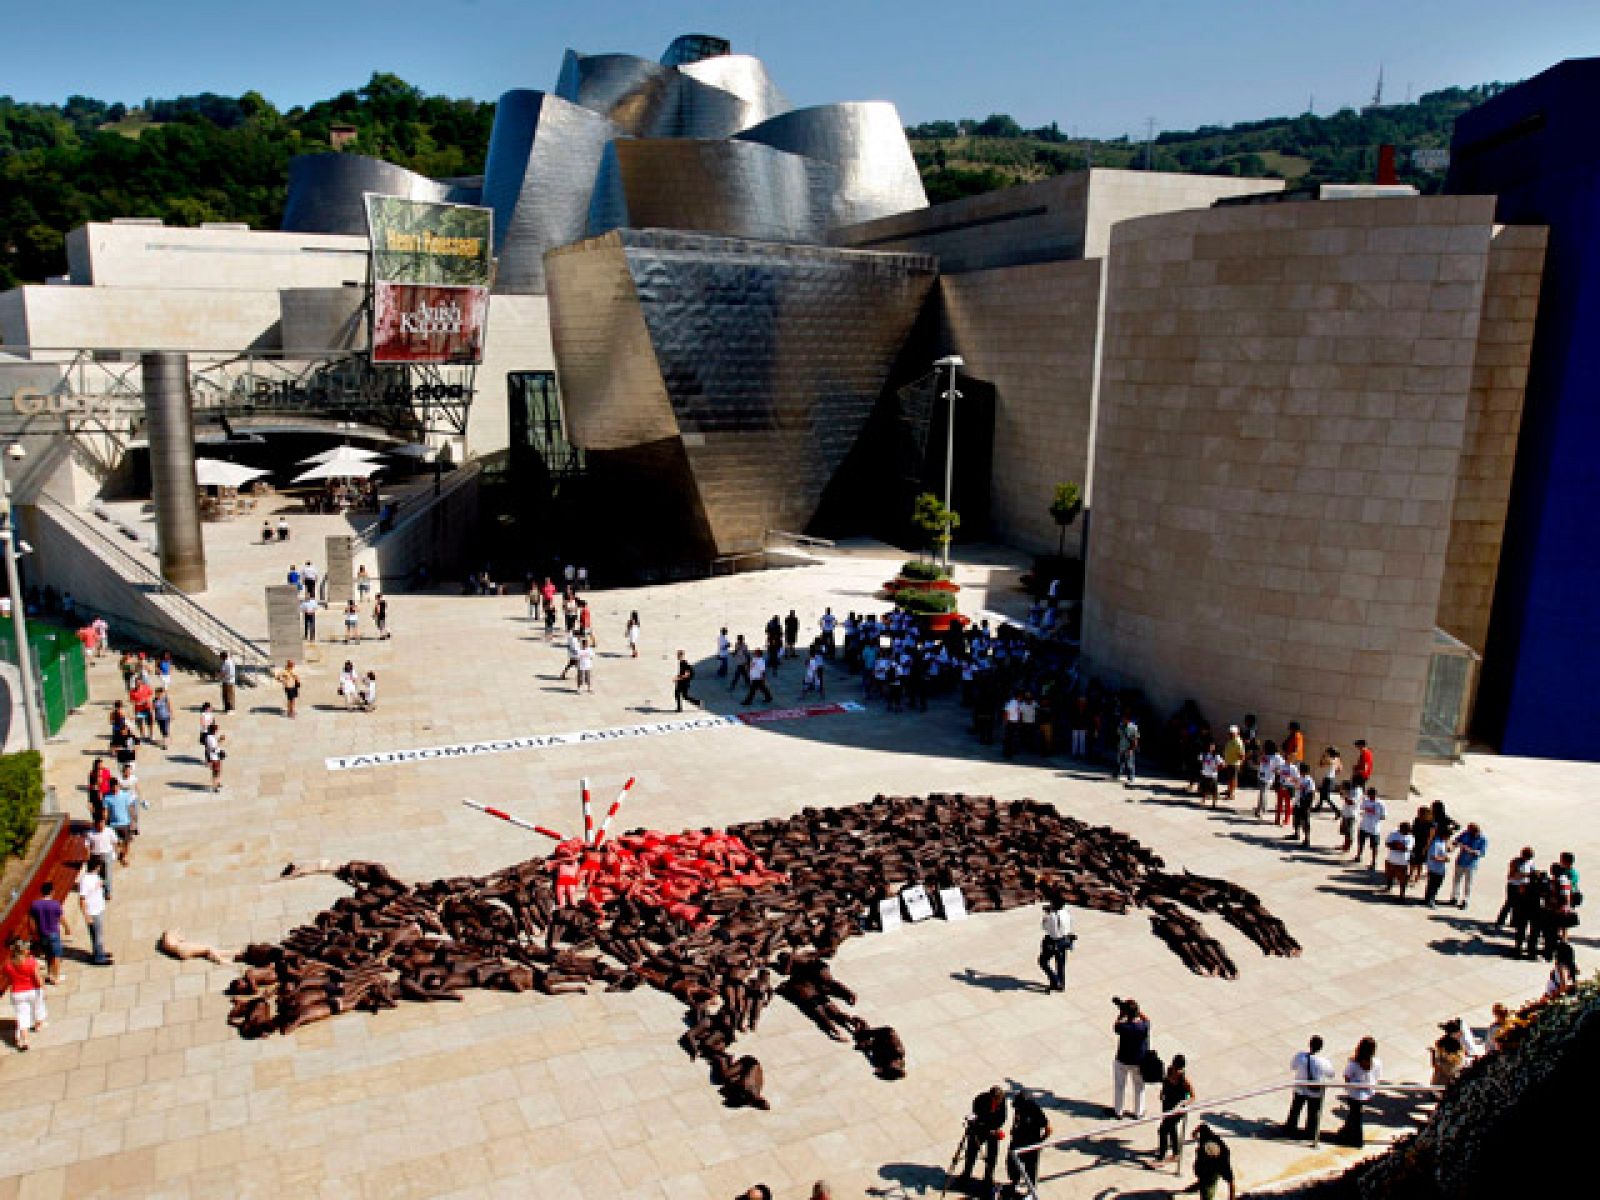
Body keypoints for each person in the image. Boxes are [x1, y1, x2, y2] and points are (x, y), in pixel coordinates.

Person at [1284, 1035, 1333, 1142]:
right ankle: (1310, 1133)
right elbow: (1331, 1074)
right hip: (1315, 1092)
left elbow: (1293, 1066)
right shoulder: (1324, 1062)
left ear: (1309, 1044)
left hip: (1300, 1089)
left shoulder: (1300, 1056)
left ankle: (1289, 1129)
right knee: (1313, 1113)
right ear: (1321, 1047)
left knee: (1295, 1109)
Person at [960, 1085, 1008, 1195]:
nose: (999, 1102)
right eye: (997, 1100)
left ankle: (988, 1179)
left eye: (1000, 1100)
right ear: (991, 1097)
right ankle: (965, 1176)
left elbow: (1002, 1117)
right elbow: (979, 1117)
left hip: (993, 1131)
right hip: (979, 1130)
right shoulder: (980, 1100)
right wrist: (987, 1127)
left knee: (992, 1156)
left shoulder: (1002, 1101)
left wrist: (994, 1129)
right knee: (971, 1153)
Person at [1334, 1037, 1381, 1147]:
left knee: (1355, 1115)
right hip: (1368, 1091)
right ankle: (1346, 1132)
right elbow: (1377, 1076)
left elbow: (1347, 1076)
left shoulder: (1354, 1064)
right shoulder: (1377, 1063)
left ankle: (1356, 1139)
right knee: (1354, 1114)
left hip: (1355, 1093)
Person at [1, 939, 48, 1051]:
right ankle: (38, 1025)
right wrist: (43, 988)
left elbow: (8, 979)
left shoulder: (8, 965)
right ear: (24, 951)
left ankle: (25, 1040)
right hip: (33, 990)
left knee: (22, 1015)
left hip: (17, 993)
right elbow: (37, 977)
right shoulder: (31, 962)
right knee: (38, 1007)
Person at [1112, 998, 1152, 1118]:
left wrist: (1121, 1014)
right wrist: (1137, 1012)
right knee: (1139, 1087)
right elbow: (1147, 1019)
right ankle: (1138, 1112)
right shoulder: (1144, 1026)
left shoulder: (1124, 1027)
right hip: (1139, 1061)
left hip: (1123, 1059)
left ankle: (1118, 1111)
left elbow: (1115, 1026)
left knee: (1119, 1086)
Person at [1008, 1089, 1051, 1193]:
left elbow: (1048, 1128)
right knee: (1012, 1163)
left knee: (1030, 1168)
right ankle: (1015, 1182)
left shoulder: (1034, 1110)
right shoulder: (1019, 1108)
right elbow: (1017, 1120)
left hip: (1031, 1144)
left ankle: (1031, 1191)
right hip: (1017, 1141)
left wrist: (1040, 1141)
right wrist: (1014, 1129)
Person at [1179, 1124, 1236, 1200]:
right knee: (1202, 1174)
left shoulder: (1222, 1163)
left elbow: (1231, 1182)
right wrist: (1195, 1132)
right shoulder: (1208, 1137)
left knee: (1207, 1189)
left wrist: (1231, 1198)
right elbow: (1202, 1126)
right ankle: (1201, 1183)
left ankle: (1204, 1188)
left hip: (1212, 1173)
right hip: (1202, 1166)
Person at [1156, 1055, 1194, 1163]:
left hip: (1177, 1109)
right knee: (1171, 1129)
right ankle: (1176, 1153)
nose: (1177, 1071)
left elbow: (1192, 1096)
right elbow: (1165, 1084)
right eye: (1176, 1068)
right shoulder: (1169, 1072)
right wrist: (1162, 1093)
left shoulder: (1184, 1080)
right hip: (1167, 1106)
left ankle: (1162, 1155)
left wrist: (1183, 1103)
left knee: (1163, 1130)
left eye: (1179, 1069)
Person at [29, 882, 67, 986]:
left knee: (48, 955)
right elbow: (61, 918)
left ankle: (50, 975)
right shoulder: (55, 904)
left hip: (42, 934)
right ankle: (56, 977)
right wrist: (67, 928)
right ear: (51, 892)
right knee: (56, 956)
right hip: (54, 933)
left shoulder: (35, 905)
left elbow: (31, 921)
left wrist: (34, 934)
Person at [77, 858, 111, 965]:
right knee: (97, 935)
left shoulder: (95, 876)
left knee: (96, 934)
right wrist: (86, 916)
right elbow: (82, 899)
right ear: (97, 867)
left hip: (98, 909)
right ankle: (99, 958)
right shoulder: (85, 880)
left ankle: (99, 952)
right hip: (93, 912)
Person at [1038, 896, 1073, 992]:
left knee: (1042, 961)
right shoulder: (1066, 914)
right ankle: (1061, 984)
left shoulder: (1050, 916)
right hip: (1064, 940)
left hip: (1052, 942)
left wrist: (1046, 915)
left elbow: (1045, 927)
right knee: (1061, 964)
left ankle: (1055, 980)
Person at [1495, 846, 1536, 929]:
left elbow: (1533, 873)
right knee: (1509, 903)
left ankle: (1514, 922)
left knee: (1519, 905)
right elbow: (1511, 875)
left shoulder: (1530, 863)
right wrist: (1526, 875)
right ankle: (1500, 921)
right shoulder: (1515, 861)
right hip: (1513, 885)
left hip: (1524, 886)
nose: (1527, 859)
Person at [1448, 824, 1488, 910]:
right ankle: (1454, 897)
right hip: (1461, 860)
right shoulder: (1466, 834)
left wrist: (1471, 851)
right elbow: (1456, 841)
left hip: (1471, 864)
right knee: (1456, 880)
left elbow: (1482, 853)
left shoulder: (1483, 839)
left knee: (1468, 883)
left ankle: (1465, 900)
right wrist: (1456, 845)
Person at [1356, 787, 1387, 870]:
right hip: (1364, 825)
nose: (1371, 797)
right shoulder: (1366, 801)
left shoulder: (1380, 804)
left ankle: (1373, 862)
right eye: (1369, 795)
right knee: (1361, 842)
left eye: (1372, 795)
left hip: (1374, 828)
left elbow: (1384, 816)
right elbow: (1361, 808)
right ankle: (1359, 855)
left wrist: (1376, 817)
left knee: (1374, 846)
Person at [1383, 822, 1415, 900]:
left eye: (1408, 830)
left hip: (1403, 862)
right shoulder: (1393, 834)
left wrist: (1396, 845)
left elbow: (1407, 848)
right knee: (1389, 875)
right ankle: (1388, 887)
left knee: (1403, 879)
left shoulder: (1410, 837)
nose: (1407, 832)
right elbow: (1387, 844)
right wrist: (1398, 846)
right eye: (1405, 829)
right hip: (1391, 859)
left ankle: (1402, 894)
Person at [1423, 830, 1453, 907]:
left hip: (1440, 868)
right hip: (1435, 868)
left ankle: (1427, 899)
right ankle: (1430, 900)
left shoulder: (1443, 843)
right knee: (1434, 885)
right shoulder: (1436, 844)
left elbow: (1449, 849)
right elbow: (1433, 856)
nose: (1449, 838)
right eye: (1448, 836)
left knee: (1432, 885)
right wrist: (1444, 859)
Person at [1221, 725, 1245, 804]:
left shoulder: (1238, 742)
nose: (1230, 734)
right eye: (1230, 733)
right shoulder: (1231, 740)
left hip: (1234, 763)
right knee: (1229, 778)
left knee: (1232, 779)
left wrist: (1239, 764)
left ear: (1236, 733)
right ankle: (1229, 790)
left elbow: (1241, 755)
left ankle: (1231, 794)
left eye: (1232, 733)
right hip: (1229, 762)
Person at [1115, 716, 1140, 786]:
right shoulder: (1120, 726)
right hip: (1121, 746)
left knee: (1130, 763)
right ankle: (1117, 774)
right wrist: (1118, 745)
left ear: (1128, 720)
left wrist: (1132, 748)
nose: (1123, 720)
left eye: (1124, 719)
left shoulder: (1133, 727)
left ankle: (1131, 777)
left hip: (1129, 748)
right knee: (1119, 761)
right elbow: (1118, 736)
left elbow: (1135, 739)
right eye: (1122, 719)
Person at [203, 721, 226, 792]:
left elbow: (215, 745)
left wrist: (220, 740)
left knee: (218, 771)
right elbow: (213, 749)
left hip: (216, 757)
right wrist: (220, 752)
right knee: (215, 772)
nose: (217, 732)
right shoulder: (210, 738)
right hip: (214, 757)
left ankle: (217, 783)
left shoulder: (211, 737)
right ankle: (214, 786)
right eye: (216, 730)